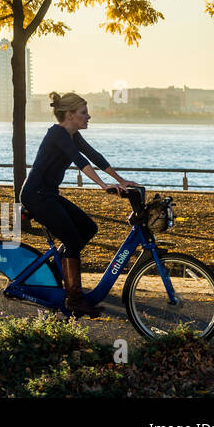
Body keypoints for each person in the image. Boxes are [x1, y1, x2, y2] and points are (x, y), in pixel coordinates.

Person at [21, 91, 138, 317]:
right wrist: (103, 185)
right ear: (70, 115)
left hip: (48, 194)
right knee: (72, 239)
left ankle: (57, 272)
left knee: (87, 228)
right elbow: (79, 160)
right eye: (84, 113)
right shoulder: (57, 134)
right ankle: (74, 299)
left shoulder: (73, 135)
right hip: (35, 195)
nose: (88, 116)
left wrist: (121, 180)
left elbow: (94, 156)